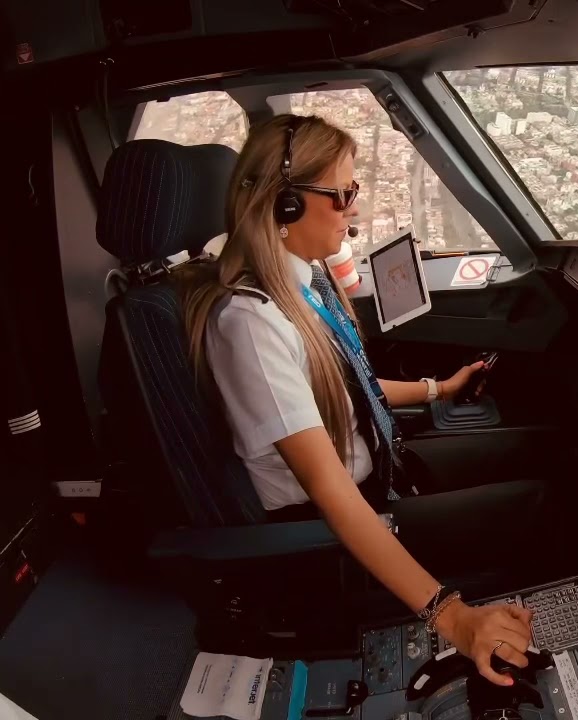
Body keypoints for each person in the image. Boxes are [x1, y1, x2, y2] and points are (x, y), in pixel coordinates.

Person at [180, 114, 531, 686]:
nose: (355, 210)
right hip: (334, 527)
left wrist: (438, 389)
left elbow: (348, 388)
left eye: (355, 192)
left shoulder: (297, 289)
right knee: (536, 503)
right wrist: (453, 616)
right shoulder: (252, 323)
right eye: (342, 196)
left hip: (378, 471)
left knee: (542, 451)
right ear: (286, 205)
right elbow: (330, 490)